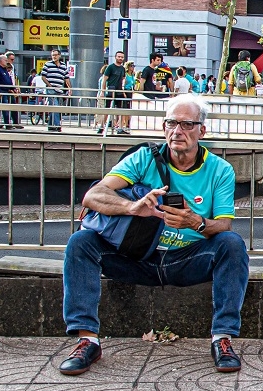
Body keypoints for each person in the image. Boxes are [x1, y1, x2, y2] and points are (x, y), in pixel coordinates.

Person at [57, 94, 249, 375]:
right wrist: (132, 207)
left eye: (186, 124)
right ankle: (87, 340)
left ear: (202, 131)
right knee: (81, 242)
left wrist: (194, 222)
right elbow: (93, 195)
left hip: (186, 260)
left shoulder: (220, 169)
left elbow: (224, 225)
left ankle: (222, 338)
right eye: (172, 123)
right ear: (163, 127)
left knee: (232, 245)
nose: (177, 132)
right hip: (137, 256)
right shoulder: (146, 158)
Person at [100, 51, 130, 135]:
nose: (120, 58)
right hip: (110, 90)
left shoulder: (122, 68)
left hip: (119, 91)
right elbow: (104, 79)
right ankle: (102, 126)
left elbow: (123, 79)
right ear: (115, 57)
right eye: (119, 57)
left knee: (121, 110)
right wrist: (102, 92)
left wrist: (123, 89)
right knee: (107, 109)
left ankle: (120, 128)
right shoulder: (110, 67)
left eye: (122, 57)